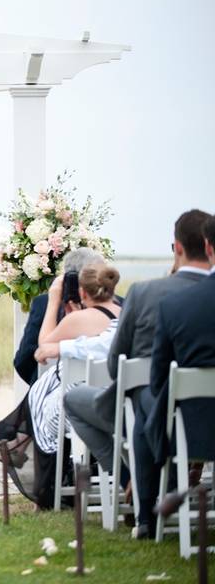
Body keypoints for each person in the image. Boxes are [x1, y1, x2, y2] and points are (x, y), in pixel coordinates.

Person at [62, 210, 211, 487]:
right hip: (200, 419)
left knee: (76, 400)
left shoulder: (145, 293)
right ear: (210, 246)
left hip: (156, 420)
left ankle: (132, 479)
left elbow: (115, 363)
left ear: (178, 248)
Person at [134, 213, 215, 539]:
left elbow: (157, 378)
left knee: (146, 405)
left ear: (209, 247)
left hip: (194, 429)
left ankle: (147, 516)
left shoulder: (176, 305)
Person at [27, 264, 121, 456]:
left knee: (49, 395)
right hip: (120, 402)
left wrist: (54, 301)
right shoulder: (124, 313)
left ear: (83, 292)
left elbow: (44, 344)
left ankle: (73, 463)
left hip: (90, 407)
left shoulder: (79, 319)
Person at [13, 247, 111, 385]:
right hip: (107, 387)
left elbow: (23, 360)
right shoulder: (119, 304)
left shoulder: (44, 303)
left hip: (53, 388)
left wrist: (41, 386)